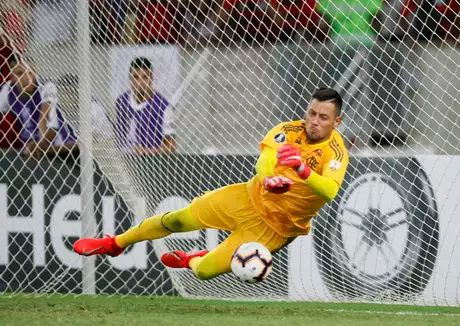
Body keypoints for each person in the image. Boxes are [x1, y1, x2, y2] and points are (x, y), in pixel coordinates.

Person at [74, 87, 349, 281]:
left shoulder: (335, 152)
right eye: (311, 113)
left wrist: (300, 169)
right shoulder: (289, 130)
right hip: (247, 197)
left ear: (336, 121)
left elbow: (329, 190)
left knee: (203, 271)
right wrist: (267, 178)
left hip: (276, 229)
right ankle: (115, 243)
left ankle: (191, 258)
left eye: (323, 117)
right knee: (180, 219)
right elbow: (264, 160)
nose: (313, 121)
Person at [6, 54, 78, 160]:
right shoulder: (7, 90)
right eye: (20, 73)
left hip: (52, 147)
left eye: (30, 72)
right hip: (29, 145)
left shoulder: (47, 86)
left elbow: (43, 117)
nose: (26, 78)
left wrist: (41, 145)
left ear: (35, 72)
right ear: (12, 77)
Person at [115, 57, 176, 155]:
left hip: (151, 163)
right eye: (135, 77)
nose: (140, 82)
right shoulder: (121, 102)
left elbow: (171, 145)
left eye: (145, 77)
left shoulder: (164, 107)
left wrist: (147, 152)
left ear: (151, 78)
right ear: (130, 79)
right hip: (123, 162)